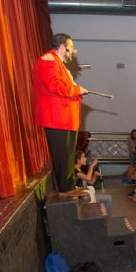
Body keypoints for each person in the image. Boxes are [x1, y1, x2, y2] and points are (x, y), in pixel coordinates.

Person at [33, 33, 89, 193]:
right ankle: (66, 191)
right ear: (63, 47)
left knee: (68, 157)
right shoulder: (48, 61)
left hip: (65, 118)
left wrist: (78, 92)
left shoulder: (58, 63)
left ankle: (69, 187)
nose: (74, 52)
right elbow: (55, 86)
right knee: (62, 158)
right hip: (56, 118)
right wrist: (77, 89)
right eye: (71, 48)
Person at [74, 151, 113, 216]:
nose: (85, 159)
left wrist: (95, 175)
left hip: (86, 194)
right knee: (108, 198)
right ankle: (107, 218)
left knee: (108, 198)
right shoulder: (75, 171)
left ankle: (105, 217)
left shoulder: (80, 169)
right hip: (82, 197)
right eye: (83, 157)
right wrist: (92, 165)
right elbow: (88, 178)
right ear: (78, 160)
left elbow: (90, 182)